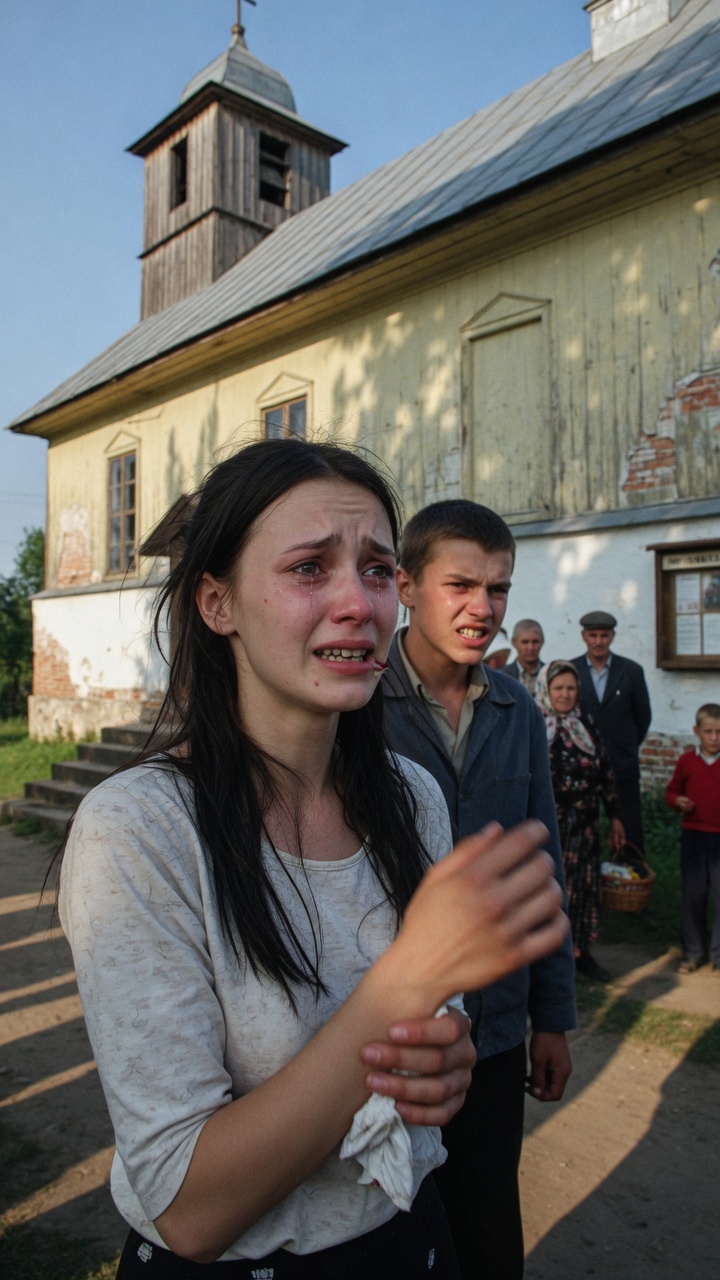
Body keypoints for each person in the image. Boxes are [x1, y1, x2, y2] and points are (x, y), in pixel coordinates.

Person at [57, 441, 567, 1280]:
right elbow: (189, 1210)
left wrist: (446, 1063)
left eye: (376, 570)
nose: (359, 603)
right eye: (308, 568)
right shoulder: (138, 829)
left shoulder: (412, 799)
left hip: (411, 1240)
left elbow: (430, 1041)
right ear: (217, 602)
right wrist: (407, 979)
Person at [382, 499, 576, 1280]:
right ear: (405, 586)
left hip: (495, 1031)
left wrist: (551, 1018)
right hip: (389, 1030)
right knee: (394, 1232)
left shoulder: (516, 709)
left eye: (498, 589)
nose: (483, 608)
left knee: (489, 1228)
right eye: (460, 585)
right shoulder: (357, 705)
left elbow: (542, 866)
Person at [537, 661, 625, 984]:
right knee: (551, 890)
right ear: (546, 691)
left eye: (571, 688)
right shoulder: (535, 726)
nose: (565, 694)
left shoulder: (586, 725)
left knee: (583, 890)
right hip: (550, 829)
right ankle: (548, 957)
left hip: (585, 828)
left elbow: (605, 774)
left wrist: (615, 816)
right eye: (558, 688)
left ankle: (580, 953)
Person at [571, 611, 651, 855]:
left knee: (629, 828)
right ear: (583, 636)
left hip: (621, 763)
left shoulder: (631, 671)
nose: (598, 641)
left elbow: (642, 717)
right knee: (583, 828)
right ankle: (589, 874)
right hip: (582, 765)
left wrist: (625, 746)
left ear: (612, 637)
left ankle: (631, 871)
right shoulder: (571, 670)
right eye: (593, 635)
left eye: (604, 636)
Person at [665, 702, 720, 975]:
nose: (714, 738)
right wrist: (678, 801)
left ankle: (718, 956)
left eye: (719, 732)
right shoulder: (687, 761)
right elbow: (671, 791)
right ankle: (693, 953)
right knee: (693, 896)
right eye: (708, 731)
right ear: (696, 731)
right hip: (694, 837)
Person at [505, 619, 545, 696]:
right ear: (514, 642)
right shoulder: (502, 676)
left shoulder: (552, 674)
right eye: (525, 642)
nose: (530, 648)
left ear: (542, 642)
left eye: (535, 642)